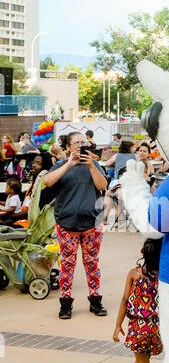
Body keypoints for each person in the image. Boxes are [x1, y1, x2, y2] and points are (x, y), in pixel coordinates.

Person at [43, 131, 108, 320]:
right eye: (76, 143)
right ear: (68, 147)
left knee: (92, 263)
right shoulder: (61, 164)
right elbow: (47, 182)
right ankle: (65, 303)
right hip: (66, 223)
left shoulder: (94, 164)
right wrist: (69, 163)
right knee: (67, 265)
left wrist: (91, 166)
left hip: (92, 224)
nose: (81, 146)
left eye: (83, 142)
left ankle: (95, 299)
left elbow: (102, 185)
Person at [113, 238, 163, 363]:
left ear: (142, 252)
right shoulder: (165, 275)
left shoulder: (134, 274)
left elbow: (124, 300)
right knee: (143, 357)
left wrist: (118, 325)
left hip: (137, 326)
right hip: (156, 326)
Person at [11, 152, 55, 229]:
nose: (33, 165)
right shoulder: (35, 183)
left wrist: (10, 216)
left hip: (36, 224)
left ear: (45, 167)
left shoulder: (47, 188)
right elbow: (23, 195)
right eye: (34, 162)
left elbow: (33, 211)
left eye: (38, 163)